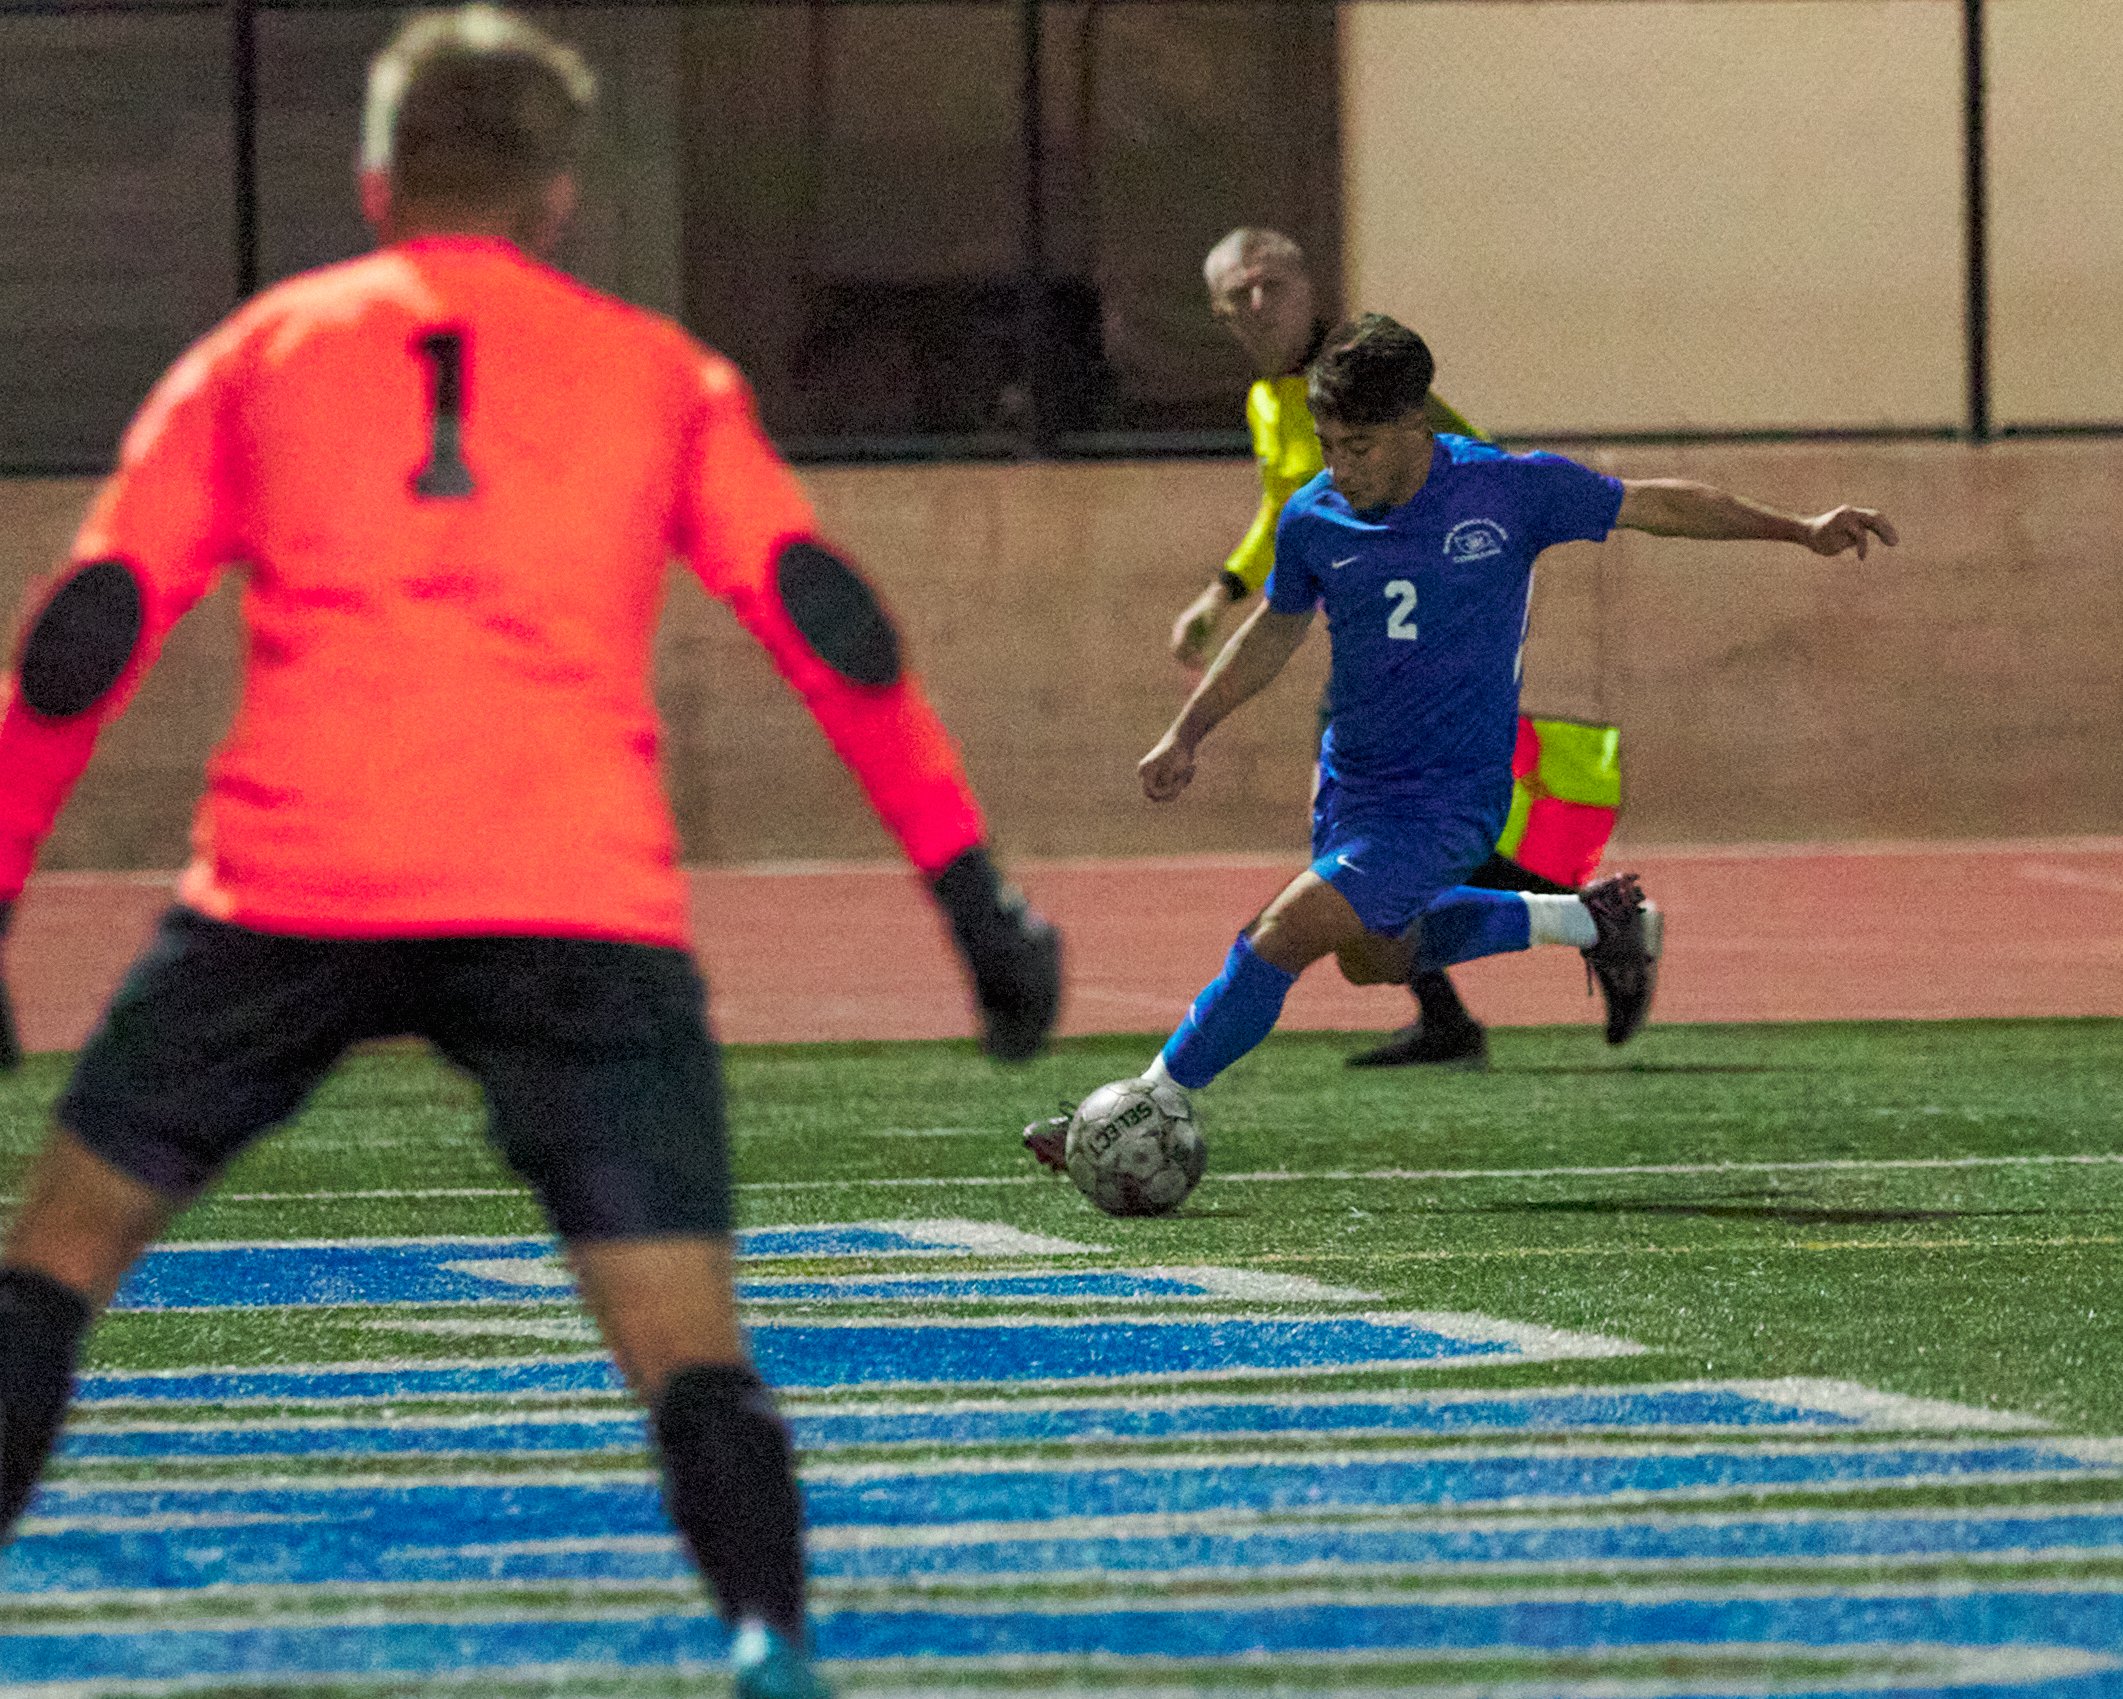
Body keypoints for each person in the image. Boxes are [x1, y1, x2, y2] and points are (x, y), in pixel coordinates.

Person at [0, 11, 1059, 1698]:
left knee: (51, 1261)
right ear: (558, 199)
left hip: (289, 891)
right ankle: (772, 1646)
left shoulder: (259, 355)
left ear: (373, 181)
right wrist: (971, 896)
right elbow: (825, 627)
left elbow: (84, 636)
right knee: (683, 1339)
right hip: (572, 905)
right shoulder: (658, 373)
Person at [1039, 312, 1892, 1143]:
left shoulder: (1505, 490)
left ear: (1414, 423)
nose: (1340, 467)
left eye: (1359, 446)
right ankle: (1591, 922)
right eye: (1329, 445)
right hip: (1352, 784)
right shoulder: (1313, 517)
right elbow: (1273, 630)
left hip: (1450, 797)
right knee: (1373, 956)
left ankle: (1147, 1105)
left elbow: (1655, 505)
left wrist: (1797, 528)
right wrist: (1188, 732)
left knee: (1285, 932)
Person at [1168, 228, 1606, 1072]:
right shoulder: (1272, 400)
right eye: (1239, 295)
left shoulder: (1364, 373)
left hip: (1432, 618)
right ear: (1220, 314)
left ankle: (1575, 925)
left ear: (1307, 286)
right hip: (1367, 626)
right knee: (1368, 851)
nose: (1258, 305)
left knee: (1370, 845)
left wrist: (1467, 578)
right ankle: (1576, 927)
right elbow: (1288, 512)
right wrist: (1223, 591)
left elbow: (1478, 469)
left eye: (1273, 285)